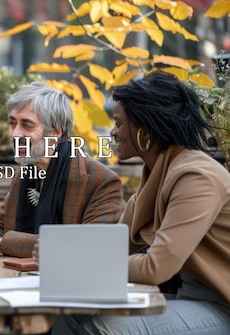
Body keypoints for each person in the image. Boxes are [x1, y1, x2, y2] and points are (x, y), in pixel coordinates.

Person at [52, 71, 230, 334]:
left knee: (105, 326)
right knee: (67, 312)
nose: (112, 132)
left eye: (119, 123)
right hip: (189, 298)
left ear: (145, 130)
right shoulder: (157, 172)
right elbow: (117, 244)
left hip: (219, 305)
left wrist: (75, 264)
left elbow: (155, 267)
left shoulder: (196, 177)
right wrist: (57, 254)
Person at [0, 81, 125, 257]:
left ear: (56, 132)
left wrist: (6, 242)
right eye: (13, 124)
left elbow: (87, 247)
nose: (15, 134)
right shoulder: (25, 172)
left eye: (27, 125)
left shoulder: (101, 181)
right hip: (14, 279)